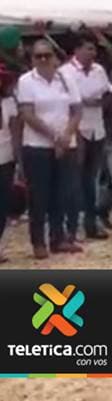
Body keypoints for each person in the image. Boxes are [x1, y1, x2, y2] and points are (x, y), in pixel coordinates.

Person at [16, 39, 84, 259]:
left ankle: (58, 238)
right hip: (37, 145)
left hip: (65, 143)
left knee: (61, 192)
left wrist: (66, 136)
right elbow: (28, 114)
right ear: (32, 59)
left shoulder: (66, 79)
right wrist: (54, 137)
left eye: (47, 55)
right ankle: (38, 241)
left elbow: (77, 110)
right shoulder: (26, 81)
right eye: (39, 56)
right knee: (39, 196)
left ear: (55, 56)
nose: (44, 59)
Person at [59, 33, 111, 240]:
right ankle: (73, 224)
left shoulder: (99, 70)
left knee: (92, 178)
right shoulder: (65, 72)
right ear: (77, 50)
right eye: (88, 48)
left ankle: (91, 223)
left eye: (94, 49)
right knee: (74, 178)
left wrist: (98, 102)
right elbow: (67, 102)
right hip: (77, 129)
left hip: (97, 128)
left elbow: (107, 94)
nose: (93, 53)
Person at [0, 64, 20, 263]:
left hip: (5, 158)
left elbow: (15, 132)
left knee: (2, 204)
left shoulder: (9, 103)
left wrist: (17, 157)